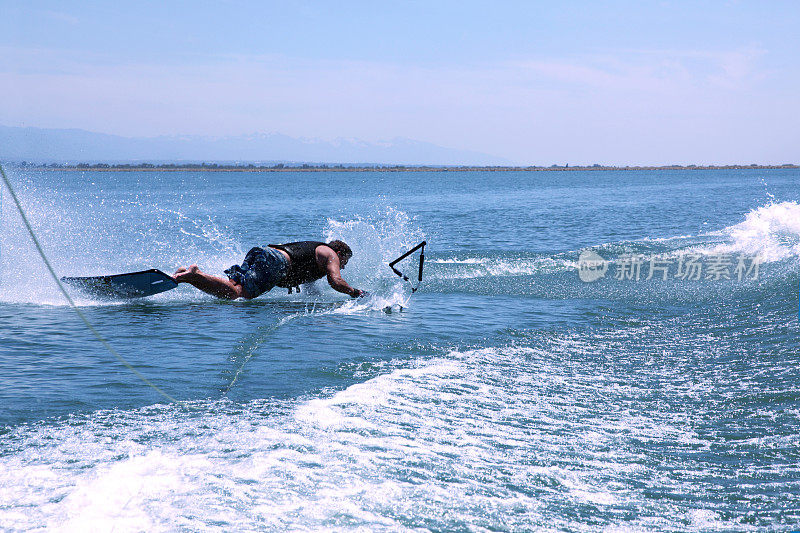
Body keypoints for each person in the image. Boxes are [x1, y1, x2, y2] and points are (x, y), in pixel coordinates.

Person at [173, 240, 365, 300]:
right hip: (276, 262)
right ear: (340, 252)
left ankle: (187, 275)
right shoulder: (330, 252)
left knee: (232, 287)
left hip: (265, 254)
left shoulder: (316, 261)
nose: (343, 265)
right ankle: (194, 276)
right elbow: (336, 280)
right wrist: (355, 293)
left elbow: (312, 291)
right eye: (344, 261)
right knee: (237, 294)